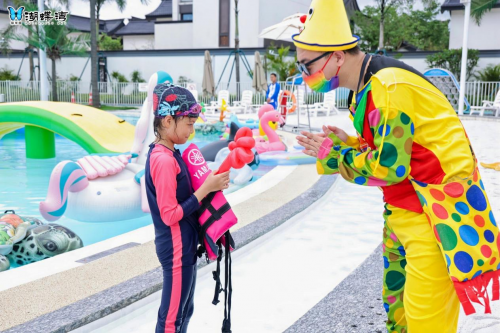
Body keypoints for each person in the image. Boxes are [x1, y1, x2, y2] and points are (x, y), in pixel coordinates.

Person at [293, 0, 497, 332]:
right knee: (398, 309)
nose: (305, 77)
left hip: (434, 214)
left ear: (337, 56)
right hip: (404, 211)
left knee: (423, 320)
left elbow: (389, 167)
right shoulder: (366, 86)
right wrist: (349, 142)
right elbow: (395, 145)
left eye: (306, 66)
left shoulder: (388, 86)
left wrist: (334, 157)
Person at [145, 83, 230, 333]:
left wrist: (209, 182)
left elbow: (186, 192)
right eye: (189, 124)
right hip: (176, 249)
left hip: (184, 246)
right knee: (171, 319)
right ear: (168, 121)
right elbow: (169, 214)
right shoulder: (162, 160)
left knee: (185, 311)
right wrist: (205, 189)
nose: (192, 131)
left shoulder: (172, 154)